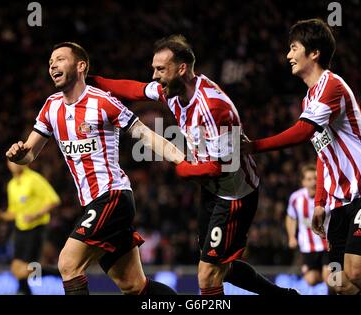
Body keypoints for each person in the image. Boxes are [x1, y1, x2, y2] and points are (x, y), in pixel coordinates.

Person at [88, 35, 298, 295]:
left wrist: (184, 168)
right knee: (221, 266)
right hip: (212, 190)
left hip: (234, 194)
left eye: (160, 69)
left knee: (208, 275)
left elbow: (222, 166)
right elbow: (136, 89)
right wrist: (92, 81)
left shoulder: (213, 107)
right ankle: (284, 296)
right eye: (154, 69)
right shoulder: (172, 91)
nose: (154, 76)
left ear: (182, 68)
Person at [5, 42, 185, 295]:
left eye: (59, 59)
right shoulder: (51, 106)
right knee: (133, 285)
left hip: (112, 196)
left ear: (81, 66)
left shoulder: (102, 101)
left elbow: (145, 135)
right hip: (93, 203)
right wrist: (19, 154)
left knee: (68, 264)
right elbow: (30, 154)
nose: (52, 65)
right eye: (50, 62)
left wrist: (184, 160)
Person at [244, 19, 361, 295]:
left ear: (314, 52)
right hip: (339, 201)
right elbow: (322, 151)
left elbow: (303, 132)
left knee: (357, 272)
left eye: (293, 48)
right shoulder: (309, 99)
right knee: (338, 282)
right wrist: (319, 201)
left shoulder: (332, 86)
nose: (288, 56)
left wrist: (254, 146)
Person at [0, 160, 61, 295]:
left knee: (26, 269)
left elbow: (54, 200)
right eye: (11, 162)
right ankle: (25, 291)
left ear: (24, 163)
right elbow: (13, 213)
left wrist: (36, 215)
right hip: (20, 229)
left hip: (36, 228)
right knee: (16, 268)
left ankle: (60, 274)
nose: (14, 164)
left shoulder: (34, 179)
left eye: (17, 161)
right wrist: (0, 216)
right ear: (8, 165)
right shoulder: (11, 185)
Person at [285, 163, 331, 290]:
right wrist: (291, 237)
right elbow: (290, 217)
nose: (313, 182)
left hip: (327, 245)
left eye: (316, 179)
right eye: (309, 179)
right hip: (308, 247)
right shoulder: (296, 198)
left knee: (330, 279)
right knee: (311, 280)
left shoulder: (327, 196)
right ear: (303, 182)